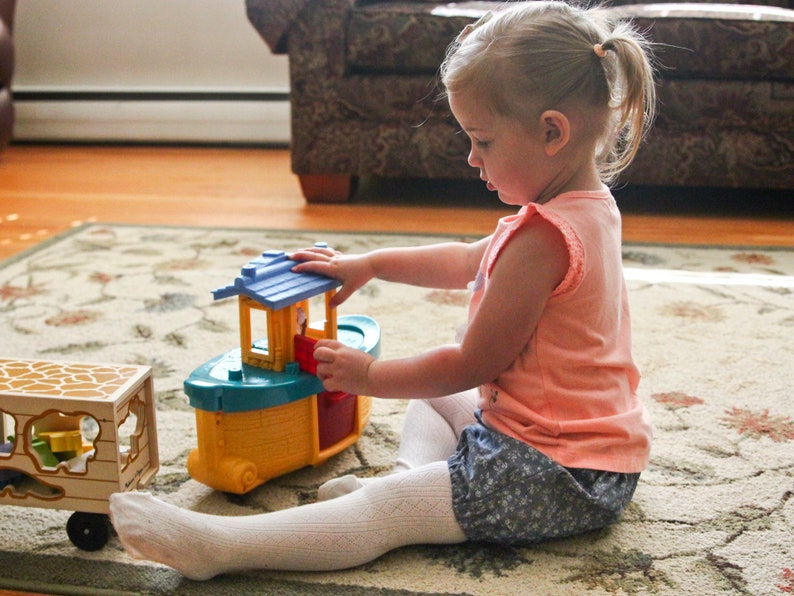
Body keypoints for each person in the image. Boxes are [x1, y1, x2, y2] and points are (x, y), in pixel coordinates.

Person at [109, 1, 655, 579]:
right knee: (432, 401)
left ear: (551, 132)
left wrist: (369, 378)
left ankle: (218, 546)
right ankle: (408, 482)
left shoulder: (544, 238)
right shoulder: (580, 207)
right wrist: (368, 264)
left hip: (560, 472)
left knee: (382, 511)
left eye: (484, 141)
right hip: (580, 444)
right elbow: (470, 260)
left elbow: (471, 363)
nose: (472, 158)